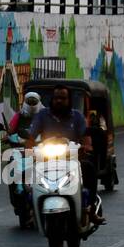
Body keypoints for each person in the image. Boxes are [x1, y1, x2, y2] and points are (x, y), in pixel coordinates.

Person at [27, 86, 103, 225]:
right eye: (56, 98)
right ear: (52, 99)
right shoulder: (42, 115)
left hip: (72, 159)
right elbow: (31, 137)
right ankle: (33, 210)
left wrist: (86, 146)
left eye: (63, 98)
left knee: (89, 168)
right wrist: (30, 150)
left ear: (69, 100)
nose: (59, 101)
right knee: (28, 174)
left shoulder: (77, 116)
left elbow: (85, 136)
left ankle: (90, 210)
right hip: (46, 160)